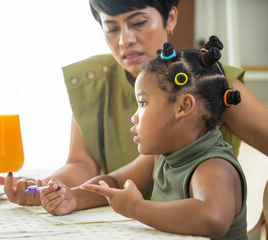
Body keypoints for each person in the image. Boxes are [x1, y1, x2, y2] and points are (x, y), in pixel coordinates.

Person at [0, 0, 268, 207]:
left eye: (138, 23)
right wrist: (50, 188)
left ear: (170, 17)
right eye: (111, 28)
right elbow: (82, 166)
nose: (125, 40)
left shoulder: (211, 86)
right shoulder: (92, 82)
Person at [40, 39, 248, 239]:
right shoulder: (161, 157)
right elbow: (114, 183)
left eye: (143, 103)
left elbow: (212, 218)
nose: (135, 116)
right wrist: (73, 198)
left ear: (183, 107)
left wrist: (136, 208)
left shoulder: (213, 165)